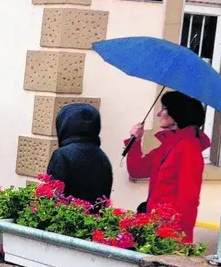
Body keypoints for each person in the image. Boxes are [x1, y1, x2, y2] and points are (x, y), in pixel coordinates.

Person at [123, 91, 210, 243]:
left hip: (169, 232)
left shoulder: (189, 148)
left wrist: (177, 239)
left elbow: (188, 199)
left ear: (176, 115)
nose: (159, 114)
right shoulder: (169, 144)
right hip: (154, 225)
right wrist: (135, 142)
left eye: (163, 109)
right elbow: (137, 170)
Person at [46, 102, 113, 205]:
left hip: (67, 213)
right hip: (94, 214)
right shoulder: (103, 157)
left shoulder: (62, 155)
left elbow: (51, 196)